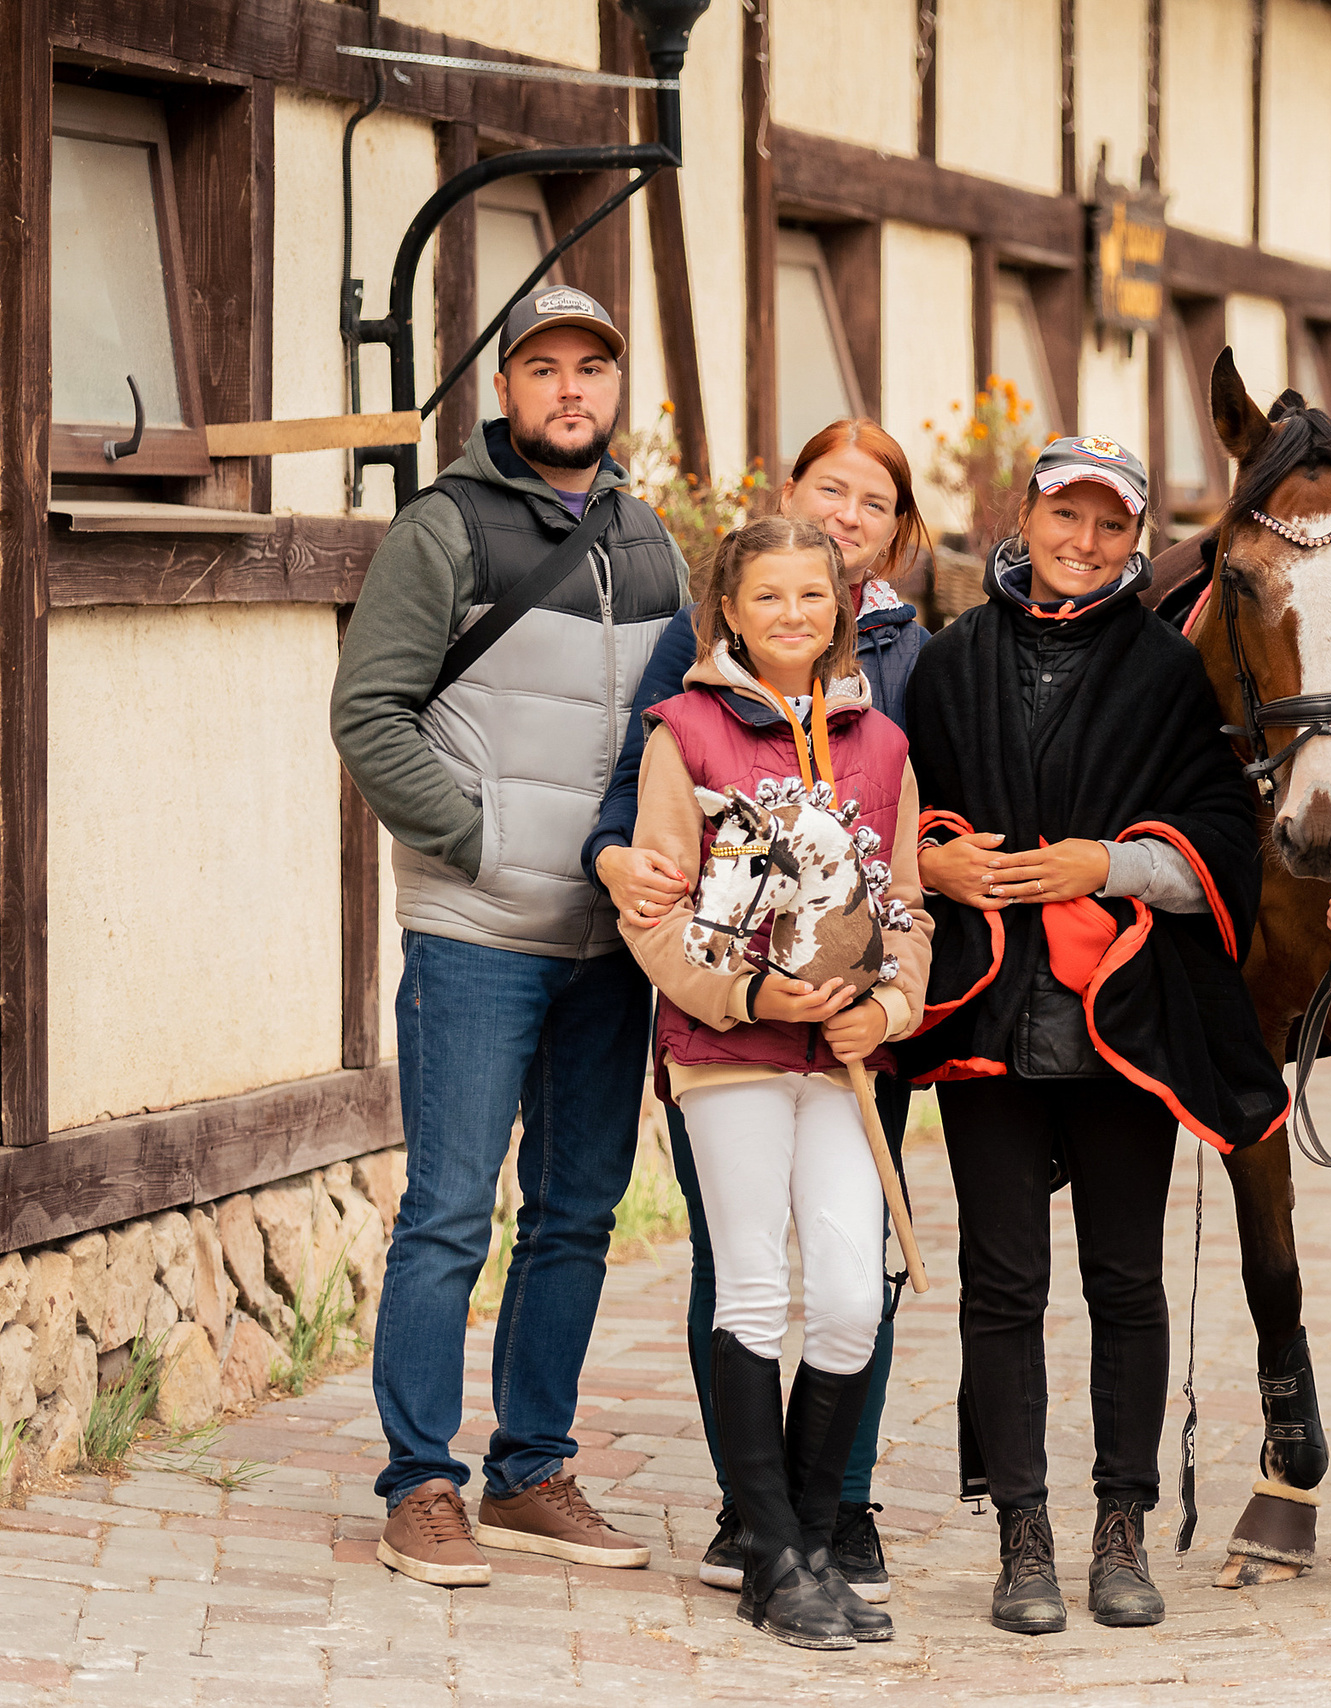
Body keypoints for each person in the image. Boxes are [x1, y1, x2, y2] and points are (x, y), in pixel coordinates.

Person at [894, 435, 1284, 1635]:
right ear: (1028, 513)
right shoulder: (951, 661)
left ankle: (1122, 1525)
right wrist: (931, 856)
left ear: (1132, 539)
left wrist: (1106, 862)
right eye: (1068, 516)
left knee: (1126, 1280)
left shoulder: (1166, 669)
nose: (1085, 542)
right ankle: (1022, 1533)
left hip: (1124, 1018)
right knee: (1003, 1284)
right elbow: (885, 801)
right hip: (987, 1017)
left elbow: (1224, 825)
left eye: (1111, 526)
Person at [331, 287, 688, 1586]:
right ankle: (420, 1485)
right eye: (545, 368)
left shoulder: (652, 544)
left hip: (610, 945)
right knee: (447, 1216)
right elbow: (368, 715)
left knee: (577, 1214)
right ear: (507, 389)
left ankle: (532, 1470)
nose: (571, 391)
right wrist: (482, 843)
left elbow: (682, 739)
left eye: (593, 367)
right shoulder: (445, 530)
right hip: (477, 932)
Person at [587, 418, 931, 1602]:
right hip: (725, 1051)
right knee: (751, 1286)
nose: (792, 614)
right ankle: (779, 1553)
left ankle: (805, 1525)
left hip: (841, 1064)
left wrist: (884, 1012)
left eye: (812, 597)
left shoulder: (883, 742)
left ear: (843, 612)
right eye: (767, 596)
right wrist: (742, 991)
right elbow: (655, 911)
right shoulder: (681, 734)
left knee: (847, 1292)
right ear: (725, 613)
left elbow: (909, 910)